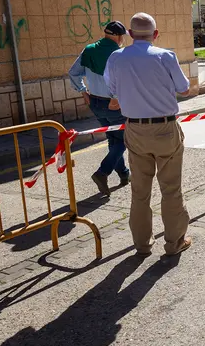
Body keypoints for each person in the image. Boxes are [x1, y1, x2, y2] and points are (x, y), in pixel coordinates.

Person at [104, 13, 193, 257]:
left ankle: (142, 244)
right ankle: (174, 243)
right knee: (170, 188)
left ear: (130, 35)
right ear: (155, 35)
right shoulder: (165, 56)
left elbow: (111, 89)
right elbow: (183, 89)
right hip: (164, 127)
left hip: (134, 128)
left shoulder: (116, 58)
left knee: (140, 190)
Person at [68, 20, 129, 196]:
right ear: (118, 36)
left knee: (113, 139)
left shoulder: (89, 50)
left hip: (95, 102)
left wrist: (83, 91)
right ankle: (102, 173)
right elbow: (123, 79)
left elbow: (73, 72)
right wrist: (116, 98)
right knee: (124, 140)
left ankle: (124, 174)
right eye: (122, 36)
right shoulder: (118, 53)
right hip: (113, 103)